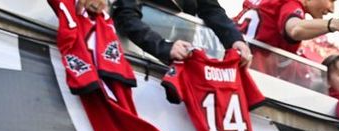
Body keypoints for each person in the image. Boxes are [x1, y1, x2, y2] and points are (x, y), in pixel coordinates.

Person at [108, 0, 253, 67]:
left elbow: (211, 10)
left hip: (180, 62)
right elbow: (125, 15)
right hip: (134, 60)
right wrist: (164, 47)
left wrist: (235, 40)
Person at [236, 0, 339, 77]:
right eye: (331, 0)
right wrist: (333, 24)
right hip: (251, 73)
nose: (332, 9)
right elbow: (294, 29)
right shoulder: (291, 4)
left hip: (234, 66)